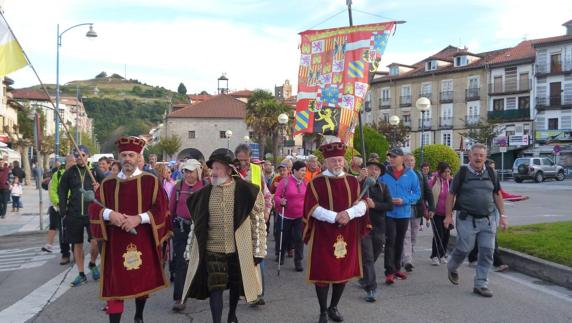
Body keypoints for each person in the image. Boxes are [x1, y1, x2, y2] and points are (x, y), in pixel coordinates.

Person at [89, 136, 171, 323]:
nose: (127, 159)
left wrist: (138, 218)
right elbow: (93, 208)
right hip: (115, 242)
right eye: (124, 155)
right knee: (115, 286)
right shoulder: (108, 184)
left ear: (138, 157)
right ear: (119, 157)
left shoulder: (151, 181)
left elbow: (161, 208)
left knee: (141, 280)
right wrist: (109, 214)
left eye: (131, 155)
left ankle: (139, 315)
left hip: (142, 238)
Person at [181, 149, 266, 323]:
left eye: (218, 168)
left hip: (238, 249)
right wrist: (190, 252)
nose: (213, 172)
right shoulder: (203, 195)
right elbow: (196, 226)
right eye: (212, 168)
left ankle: (231, 314)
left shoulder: (247, 191)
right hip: (213, 249)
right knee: (215, 288)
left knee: (236, 286)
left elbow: (257, 221)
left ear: (229, 170)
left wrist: (258, 251)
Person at [303, 141, 371, 323]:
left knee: (343, 273)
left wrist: (348, 213)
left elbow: (364, 204)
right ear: (326, 162)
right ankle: (323, 310)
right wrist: (335, 216)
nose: (337, 164)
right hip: (323, 234)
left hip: (348, 233)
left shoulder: (352, 181)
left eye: (340, 160)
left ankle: (334, 306)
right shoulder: (316, 182)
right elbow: (311, 208)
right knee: (323, 273)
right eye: (333, 161)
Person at [445, 144, 508, 298]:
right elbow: (451, 195)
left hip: (488, 219)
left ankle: (481, 284)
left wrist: (503, 216)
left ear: (485, 157)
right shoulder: (463, 172)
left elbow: (497, 194)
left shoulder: (492, 172)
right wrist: (448, 216)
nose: (478, 158)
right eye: (475, 155)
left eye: (481, 155)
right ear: (470, 156)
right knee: (464, 248)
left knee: (487, 251)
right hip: (466, 218)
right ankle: (452, 266)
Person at [59, 145, 104, 287]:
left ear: (88, 156)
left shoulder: (94, 171)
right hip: (74, 213)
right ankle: (81, 274)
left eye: (82, 155)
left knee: (95, 241)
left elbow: (107, 186)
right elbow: (62, 191)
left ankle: (92, 263)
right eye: (77, 155)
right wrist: (63, 211)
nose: (80, 157)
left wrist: (99, 187)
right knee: (76, 244)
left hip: (92, 213)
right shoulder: (69, 172)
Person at [234, 143, 271, 306]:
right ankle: (240, 291)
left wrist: (267, 211)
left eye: (245, 160)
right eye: (240, 160)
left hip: (255, 221)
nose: (243, 163)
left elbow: (267, 194)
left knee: (257, 256)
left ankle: (256, 293)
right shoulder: (230, 172)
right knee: (237, 258)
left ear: (250, 158)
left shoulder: (257, 170)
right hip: (236, 221)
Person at [380, 147, 420, 284]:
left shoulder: (411, 174)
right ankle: (389, 272)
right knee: (390, 241)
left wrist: (405, 200)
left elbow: (417, 193)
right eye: (390, 156)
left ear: (402, 158)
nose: (391, 159)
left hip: (404, 213)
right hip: (389, 213)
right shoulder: (383, 174)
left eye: (394, 156)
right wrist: (386, 200)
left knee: (400, 241)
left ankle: (397, 268)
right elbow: (378, 191)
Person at [170, 159, 206, 312]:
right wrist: (169, 229)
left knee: (200, 262)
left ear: (198, 172)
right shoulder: (178, 186)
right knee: (181, 263)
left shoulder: (205, 187)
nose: (187, 174)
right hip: (181, 229)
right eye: (185, 171)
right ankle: (180, 298)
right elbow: (170, 209)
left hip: (199, 229)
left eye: (191, 171)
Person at [467, 159, 509, 272]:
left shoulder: (494, 178)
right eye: (491, 168)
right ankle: (475, 257)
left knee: (491, 236)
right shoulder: (479, 180)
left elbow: (501, 193)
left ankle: (496, 261)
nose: (493, 170)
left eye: (494, 168)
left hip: (492, 212)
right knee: (479, 236)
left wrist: (503, 216)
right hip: (479, 213)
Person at [360, 158, 392, 302]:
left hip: (379, 226)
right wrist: (360, 181)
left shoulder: (384, 187)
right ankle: (371, 288)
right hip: (363, 226)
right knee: (368, 256)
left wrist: (375, 205)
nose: (374, 171)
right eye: (371, 168)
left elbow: (389, 205)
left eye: (377, 169)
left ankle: (364, 275)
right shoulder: (358, 184)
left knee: (375, 252)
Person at [402, 153, 434, 272]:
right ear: (403, 162)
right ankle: (407, 260)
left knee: (413, 235)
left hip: (416, 209)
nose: (409, 163)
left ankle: (407, 257)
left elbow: (428, 192)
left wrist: (432, 208)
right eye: (407, 160)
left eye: (411, 160)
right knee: (406, 235)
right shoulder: (399, 175)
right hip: (403, 209)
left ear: (414, 163)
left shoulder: (419, 175)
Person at [274, 160, 307, 271]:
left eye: (305, 171)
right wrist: (280, 201)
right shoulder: (285, 181)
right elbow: (277, 196)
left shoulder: (305, 183)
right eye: (302, 171)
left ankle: (298, 261)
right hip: (286, 215)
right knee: (283, 237)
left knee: (299, 238)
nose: (304, 173)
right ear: (295, 170)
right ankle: (280, 255)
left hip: (299, 216)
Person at [42, 155, 74, 264]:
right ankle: (65, 254)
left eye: (74, 161)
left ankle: (76, 251)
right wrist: (60, 204)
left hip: (75, 207)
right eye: (70, 161)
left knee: (75, 231)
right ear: (66, 162)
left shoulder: (79, 174)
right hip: (62, 207)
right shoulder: (58, 174)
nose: (72, 163)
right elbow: (53, 191)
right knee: (63, 233)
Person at [428, 161, 453, 265]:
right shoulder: (434, 180)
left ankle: (442, 255)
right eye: (445, 172)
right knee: (439, 234)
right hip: (436, 212)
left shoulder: (451, 181)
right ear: (440, 172)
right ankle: (434, 256)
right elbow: (428, 194)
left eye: (449, 172)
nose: (447, 174)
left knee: (446, 235)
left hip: (448, 213)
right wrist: (429, 209)